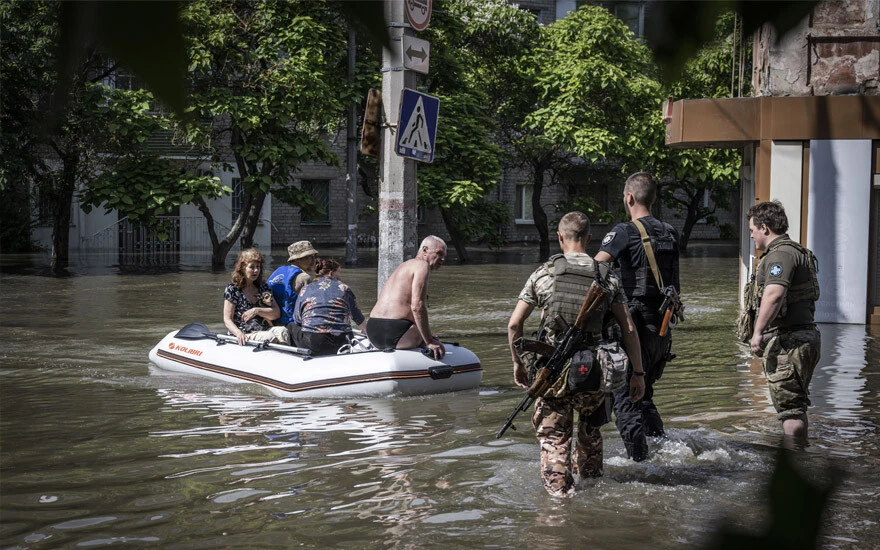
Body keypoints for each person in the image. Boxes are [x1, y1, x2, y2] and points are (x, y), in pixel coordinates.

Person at [508, 211, 645, 497]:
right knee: (591, 433)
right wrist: (639, 373)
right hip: (593, 373)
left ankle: (559, 504)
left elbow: (514, 324)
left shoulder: (543, 273)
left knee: (555, 439)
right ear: (589, 238)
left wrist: (517, 363)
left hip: (553, 374)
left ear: (560, 237)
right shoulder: (607, 276)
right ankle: (592, 498)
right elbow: (628, 328)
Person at [595, 172, 680, 462]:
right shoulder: (670, 231)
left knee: (626, 400)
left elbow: (594, 271)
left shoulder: (624, 232)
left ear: (629, 197)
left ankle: (641, 465)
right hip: (662, 330)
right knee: (643, 395)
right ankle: (664, 451)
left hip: (634, 328)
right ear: (653, 199)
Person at [747, 201, 821, 449]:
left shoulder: (780, 255)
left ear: (764, 228)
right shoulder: (794, 251)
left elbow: (774, 295)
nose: (751, 235)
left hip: (790, 342)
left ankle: (794, 463)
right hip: (800, 338)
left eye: (752, 230)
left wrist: (757, 332)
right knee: (795, 404)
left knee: (790, 409)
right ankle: (800, 452)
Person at [367, 236, 447, 360]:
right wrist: (429, 341)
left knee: (425, 333)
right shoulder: (422, 265)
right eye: (439, 254)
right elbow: (417, 307)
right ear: (424, 250)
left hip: (372, 331)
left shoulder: (403, 266)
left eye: (444, 256)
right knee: (432, 340)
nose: (442, 259)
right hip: (395, 333)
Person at [288, 259, 367, 356]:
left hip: (314, 342)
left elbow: (297, 319)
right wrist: (368, 334)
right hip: (341, 342)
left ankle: (296, 357)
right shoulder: (344, 288)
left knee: (291, 326)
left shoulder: (305, 289)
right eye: (338, 272)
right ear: (331, 272)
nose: (340, 276)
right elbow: (358, 318)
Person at [223, 248, 290, 346]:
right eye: (252, 267)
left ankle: (287, 357)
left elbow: (276, 313)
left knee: (283, 331)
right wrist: (239, 334)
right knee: (268, 337)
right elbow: (227, 319)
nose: (256, 270)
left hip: (263, 330)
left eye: (258, 267)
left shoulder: (263, 287)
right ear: (243, 268)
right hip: (244, 333)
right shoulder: (233, 289)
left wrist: (257, 310)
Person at [267, 240, 318, 325]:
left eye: (313, 257)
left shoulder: (278, 272)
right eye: (308, 257)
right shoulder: (304, 278)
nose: (313, 261)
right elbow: (312, 306)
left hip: (271, 321)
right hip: (291, 324)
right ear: (297, 260)